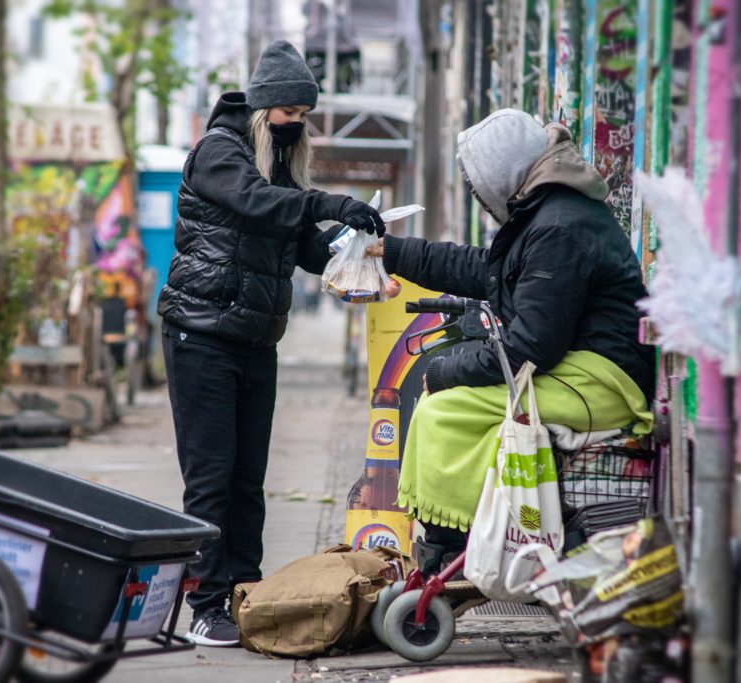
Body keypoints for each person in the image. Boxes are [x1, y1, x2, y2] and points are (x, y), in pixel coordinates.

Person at [157, 40, 384, 647]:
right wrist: (330, 200)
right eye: (291, 114)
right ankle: (206, 604)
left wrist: (349, 248)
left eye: (304, 118)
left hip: (256, 341)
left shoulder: (278, 167)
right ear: (263, 109)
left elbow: (302, 244)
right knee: (211, 479)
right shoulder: (219, 153)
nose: (297, 126)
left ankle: (247, 596)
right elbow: (258, 206)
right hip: (201, 334)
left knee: (248, 481)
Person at [366, 109, 656, 573]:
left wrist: (442, 374)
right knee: (450, 400)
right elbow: (482, 270)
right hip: (583, 368)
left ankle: (455, 543)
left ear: (503, 176)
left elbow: (530, 347)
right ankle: (456, 540)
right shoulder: (550, 212)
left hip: (604, 381)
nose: (479, 199)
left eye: (478, 187)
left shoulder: (559, 226)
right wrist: (393, 251)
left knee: (444, 412)